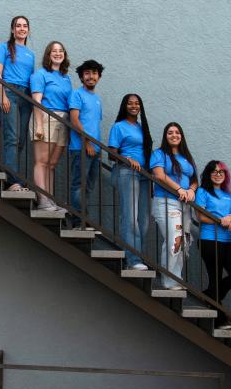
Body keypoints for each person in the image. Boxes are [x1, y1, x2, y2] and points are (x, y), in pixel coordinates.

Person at [195, 160, 231, 326]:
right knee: (215, 277)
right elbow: (200, 216)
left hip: (228, 241)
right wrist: (219, 221)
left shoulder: (228, 195)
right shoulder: (203, 191)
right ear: (208, 174)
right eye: (214, 171)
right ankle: (219, 318)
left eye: (221, 172)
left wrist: (230, 218)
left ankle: (210, 295)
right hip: (209, 240)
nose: (218, 174)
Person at [150, 122, 197, 286]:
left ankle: (176, 279)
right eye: (170, 132)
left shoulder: (186, 157)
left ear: (181, 136)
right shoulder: (159, 154)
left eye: (177, 132)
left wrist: (191, 190)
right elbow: (160, 176)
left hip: (185, 206)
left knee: (184, 243)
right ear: (165, 136)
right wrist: (179, 189)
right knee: (174, 240)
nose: (174, 135)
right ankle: (168, 281)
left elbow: (194, 180)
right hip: (166, 202)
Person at [108, 94, 152, 269]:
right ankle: (133, 260)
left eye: (137, 103)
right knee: (130, 217)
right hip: (127, 173)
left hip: (144, 176)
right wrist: (126, 159)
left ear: (140, 107)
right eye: (130, 103)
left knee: (143, 220)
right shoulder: (119, 127)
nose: (134, 106)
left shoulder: (142, 128)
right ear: (124, 106)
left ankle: (136, 256)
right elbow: (111, 153)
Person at [0, 16, 34, 189]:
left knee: (21, 140)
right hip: (8, 92)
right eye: (18, 26)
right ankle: (12, 180)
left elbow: (32, 80)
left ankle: (11, 173)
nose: (21, 29)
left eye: (25, 26)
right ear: (12, 29)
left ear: (28, 30)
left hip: (26, 98)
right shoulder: (4, 47)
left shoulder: (31, 54)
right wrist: (2, 95)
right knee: (12, 137)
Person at [30, 41, 72, 209]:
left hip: (63, 121)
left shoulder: (66, 78)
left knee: (52, 164)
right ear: (48, 54)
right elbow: (36, 101)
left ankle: (50, 199)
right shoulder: (41, 74)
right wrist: (39, 125)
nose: (58, 53)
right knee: (42, 161)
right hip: (46, 117)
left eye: (61, 51)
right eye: (54, 51)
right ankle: (43, 200)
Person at [68, 60, 104, 228]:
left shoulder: (97, 99)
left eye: (94, 73)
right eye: (87, 73)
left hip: (95, 150)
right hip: (81, 148)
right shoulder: (77, 94)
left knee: (88, 187)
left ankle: (83, 217)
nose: (91, 76)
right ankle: (77, 221)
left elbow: (94, 124)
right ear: (82, 77)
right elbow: (75, 120)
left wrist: (97, 148)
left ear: (99, 76)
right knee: (78, 186)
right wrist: (88, 143)